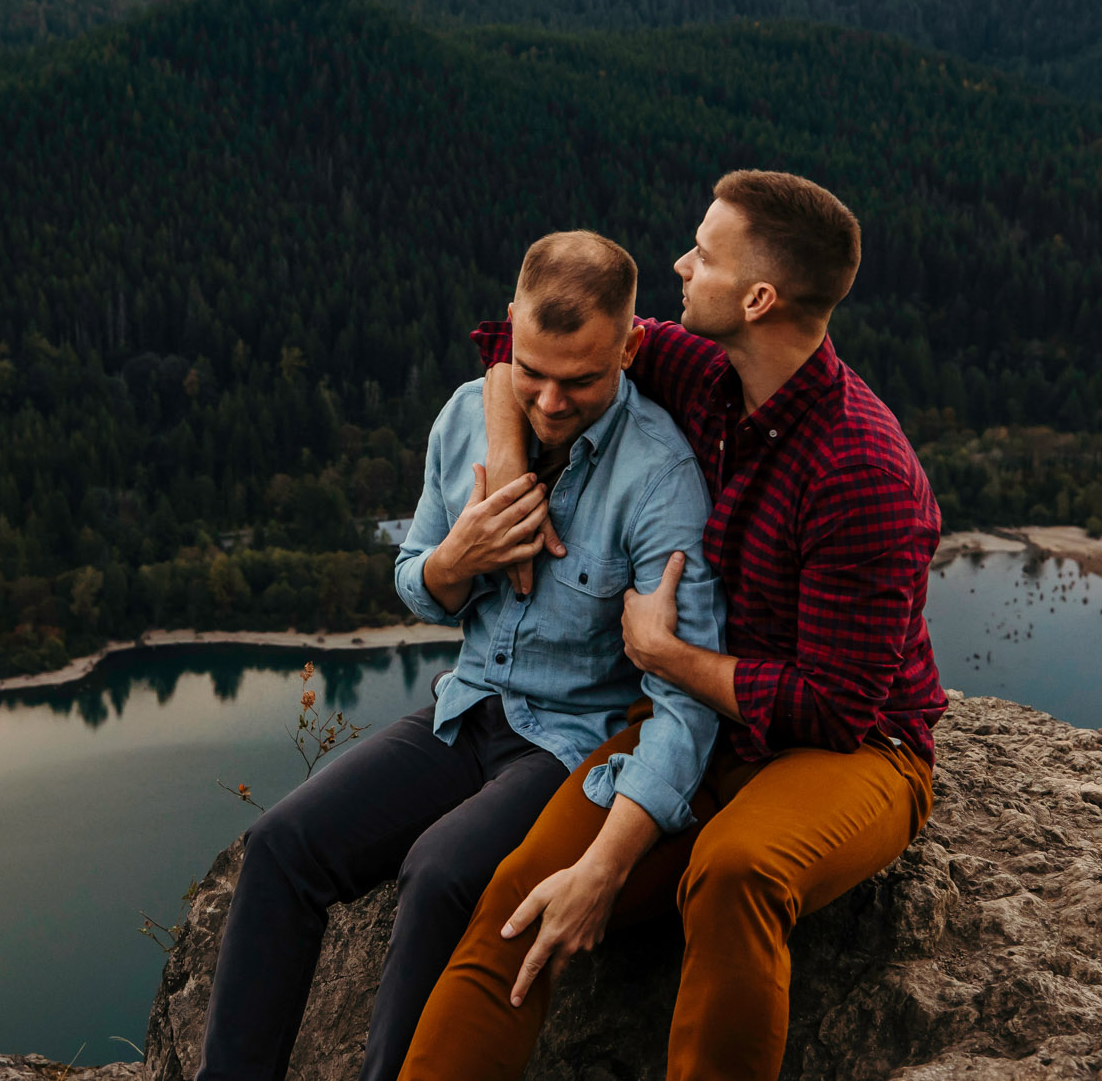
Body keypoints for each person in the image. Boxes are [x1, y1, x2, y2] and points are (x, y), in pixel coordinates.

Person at [398, 170, 949, 1081]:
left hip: (857, 751)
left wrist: (665, 656)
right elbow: (516, 343)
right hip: (698, 726)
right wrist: (506, 471)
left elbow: (838, 707)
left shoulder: (863, 470)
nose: (681, 263)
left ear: (760, 297)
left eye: (704, 252)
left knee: (734, 872)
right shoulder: (703, 370)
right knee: (517, 893)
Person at [194, 231, 724, 1081]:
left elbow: (685, 696)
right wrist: (454, 561)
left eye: (582, 380)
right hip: (463, 708)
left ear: (631, 346)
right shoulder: (466, 416)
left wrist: (623, 837)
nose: (549, 402)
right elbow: (414, 575)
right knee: (282, 845)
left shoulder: (660, 478)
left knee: (438, 873)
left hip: (568, 745)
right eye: (534, 371)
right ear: (509, 327)